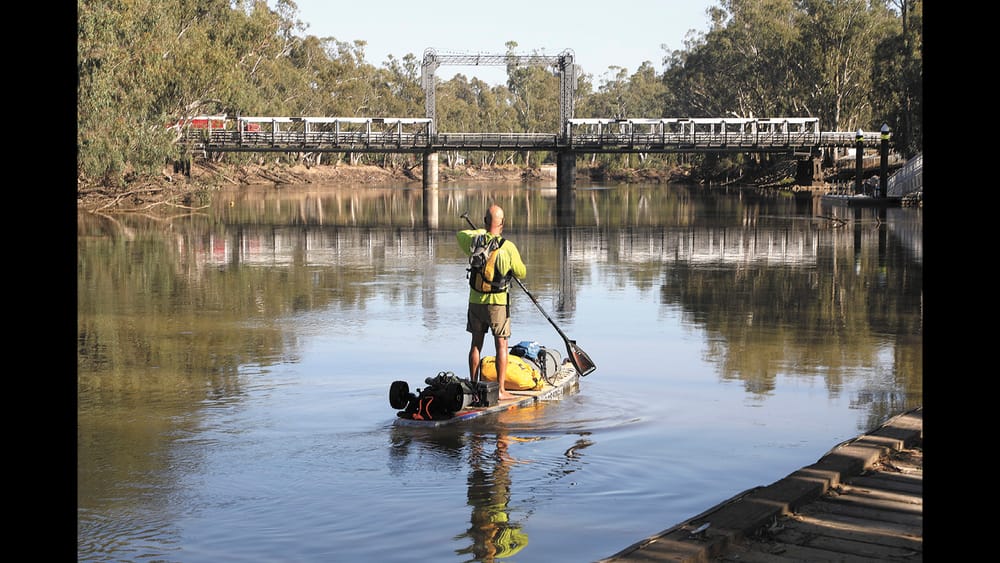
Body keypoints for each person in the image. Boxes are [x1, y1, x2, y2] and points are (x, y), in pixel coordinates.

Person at [457, 204, 526, 401]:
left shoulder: (474, 241)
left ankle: (473, 386)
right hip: (497, 303)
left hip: (475, 301)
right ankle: (502, 390)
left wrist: (481, 232)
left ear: (486, 222)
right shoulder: (508, 247)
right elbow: (522, 272)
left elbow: (460, 234)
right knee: (501, 345)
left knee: (476, 344)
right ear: (502, 224)